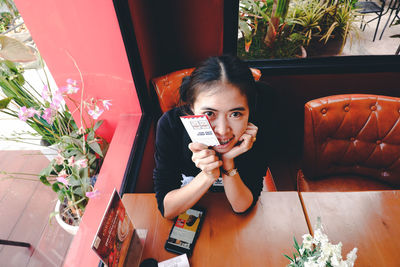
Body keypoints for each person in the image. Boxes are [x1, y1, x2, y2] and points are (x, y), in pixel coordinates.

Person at [153, 55, 267, 219]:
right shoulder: (171, 126)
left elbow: (241, 206)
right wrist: (208, 175)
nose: (222, 131)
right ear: (192, 107)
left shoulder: (255, 129)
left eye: (235, 114)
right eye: (209, 113)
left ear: (249, 110)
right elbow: (168, 209)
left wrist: (228, 163)